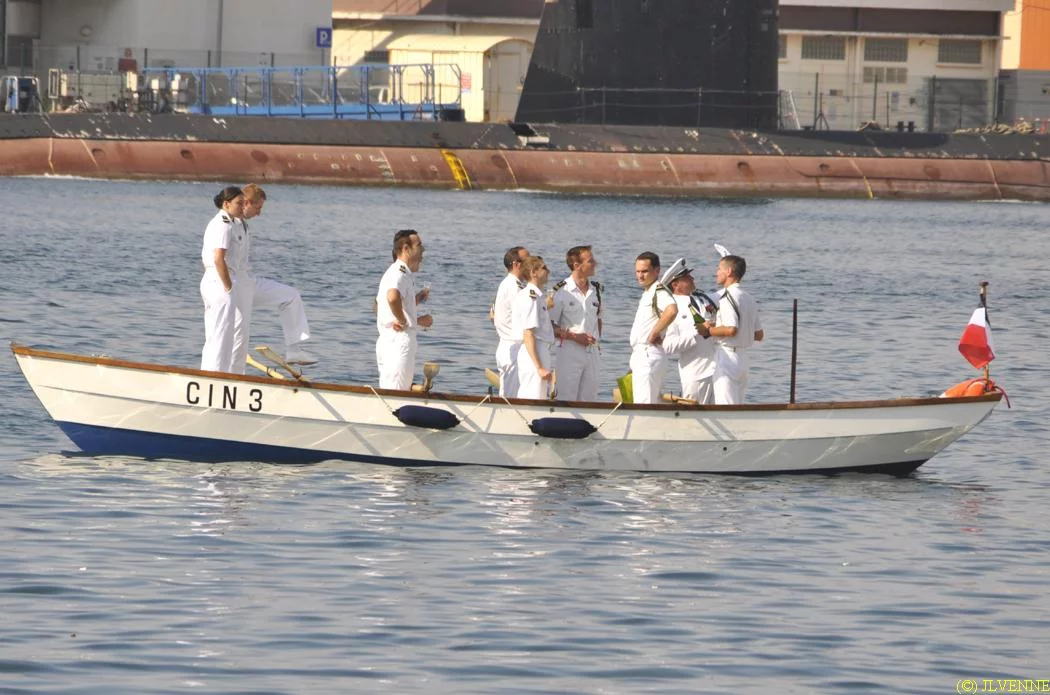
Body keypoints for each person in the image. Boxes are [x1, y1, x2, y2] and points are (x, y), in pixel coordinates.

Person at [229, 183, 314, 373]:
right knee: (239, 335)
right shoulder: (229, 223)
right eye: (258, 207)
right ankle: (232, 376)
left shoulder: (242, 224)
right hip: (233, 284)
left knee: (290, 296)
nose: (259, 213)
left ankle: (294, 350)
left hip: (247, 281)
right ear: (247, 203)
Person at [375, 229, 433, 390]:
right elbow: (392, 297)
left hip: (390, 340)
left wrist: (418, 299)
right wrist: (402, 320)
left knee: (392, 388)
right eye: (419, 245)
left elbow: (384, 305)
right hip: (398, 341)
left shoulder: (396, 272)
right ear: (406, 249)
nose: (423, 250)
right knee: (397, 392)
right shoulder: (399, 273)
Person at [705, 254, 764, 404]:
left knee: (726, 408)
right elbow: (759, 334)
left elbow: (731, 329)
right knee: (738, 405)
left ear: (729, 271)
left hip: (728, 357)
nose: (716, 272)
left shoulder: (727, 297)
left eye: (719, 269)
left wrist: (708, 330)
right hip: (743, 359)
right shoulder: (748, 297)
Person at [200, 186, 246, 372]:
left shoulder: (224, 222)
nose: (242, 207)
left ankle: (211, 372)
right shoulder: (223, 224)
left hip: (212, 280)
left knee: (215, 333)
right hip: (220, 281)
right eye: (239, 203)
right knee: (222, 334)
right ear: (226, 204)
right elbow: (218, 258)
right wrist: (228, 287)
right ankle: (217, 375)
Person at [660, 258, 717, 404]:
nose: (692, 278)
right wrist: (697, 332)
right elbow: (668, 346)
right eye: (687, 277)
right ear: (675, 284)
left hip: (717, 369)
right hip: (696, 373)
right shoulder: (672, 309)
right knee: (694, 422)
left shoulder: (702, 300)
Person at [550, 245, 602, 401]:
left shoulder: (596, 290)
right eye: (590, 261)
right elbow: (549, 325)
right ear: (577, 266)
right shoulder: (560, 291)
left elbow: (598, 318)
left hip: (592, 352)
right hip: (569, 350)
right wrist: (574, 337)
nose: (595, 263)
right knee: (566, 397)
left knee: (590, 398)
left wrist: (596, 340)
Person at [628, 252, 678, 403]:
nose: (640, 276)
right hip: (641, 353)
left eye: (645, 271)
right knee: (644, 401)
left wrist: (654, 333)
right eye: (638, 271)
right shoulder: (648, 292)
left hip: (649, 353)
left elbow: (672, 310)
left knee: (644, 404)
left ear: (657, 271)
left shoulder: (659, 290)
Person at [512, 256, 555, 399]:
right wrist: (539, 367)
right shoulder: (531, 297)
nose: (548, 271)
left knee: (540, 395)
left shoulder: (537, 297)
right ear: (533, 272)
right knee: (533, 396)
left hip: (540, 349)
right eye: (544, 268)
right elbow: (528, 333)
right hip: (534, 352)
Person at [491, 246, 529, 396]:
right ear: (516, 264)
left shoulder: (510, 285)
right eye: (528, 261)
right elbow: (526, 316)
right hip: (513, 347)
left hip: (509, 345)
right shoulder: (514, 287)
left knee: (509, 395)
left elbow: (492, 315)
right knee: (512, 399)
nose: (532, 265)